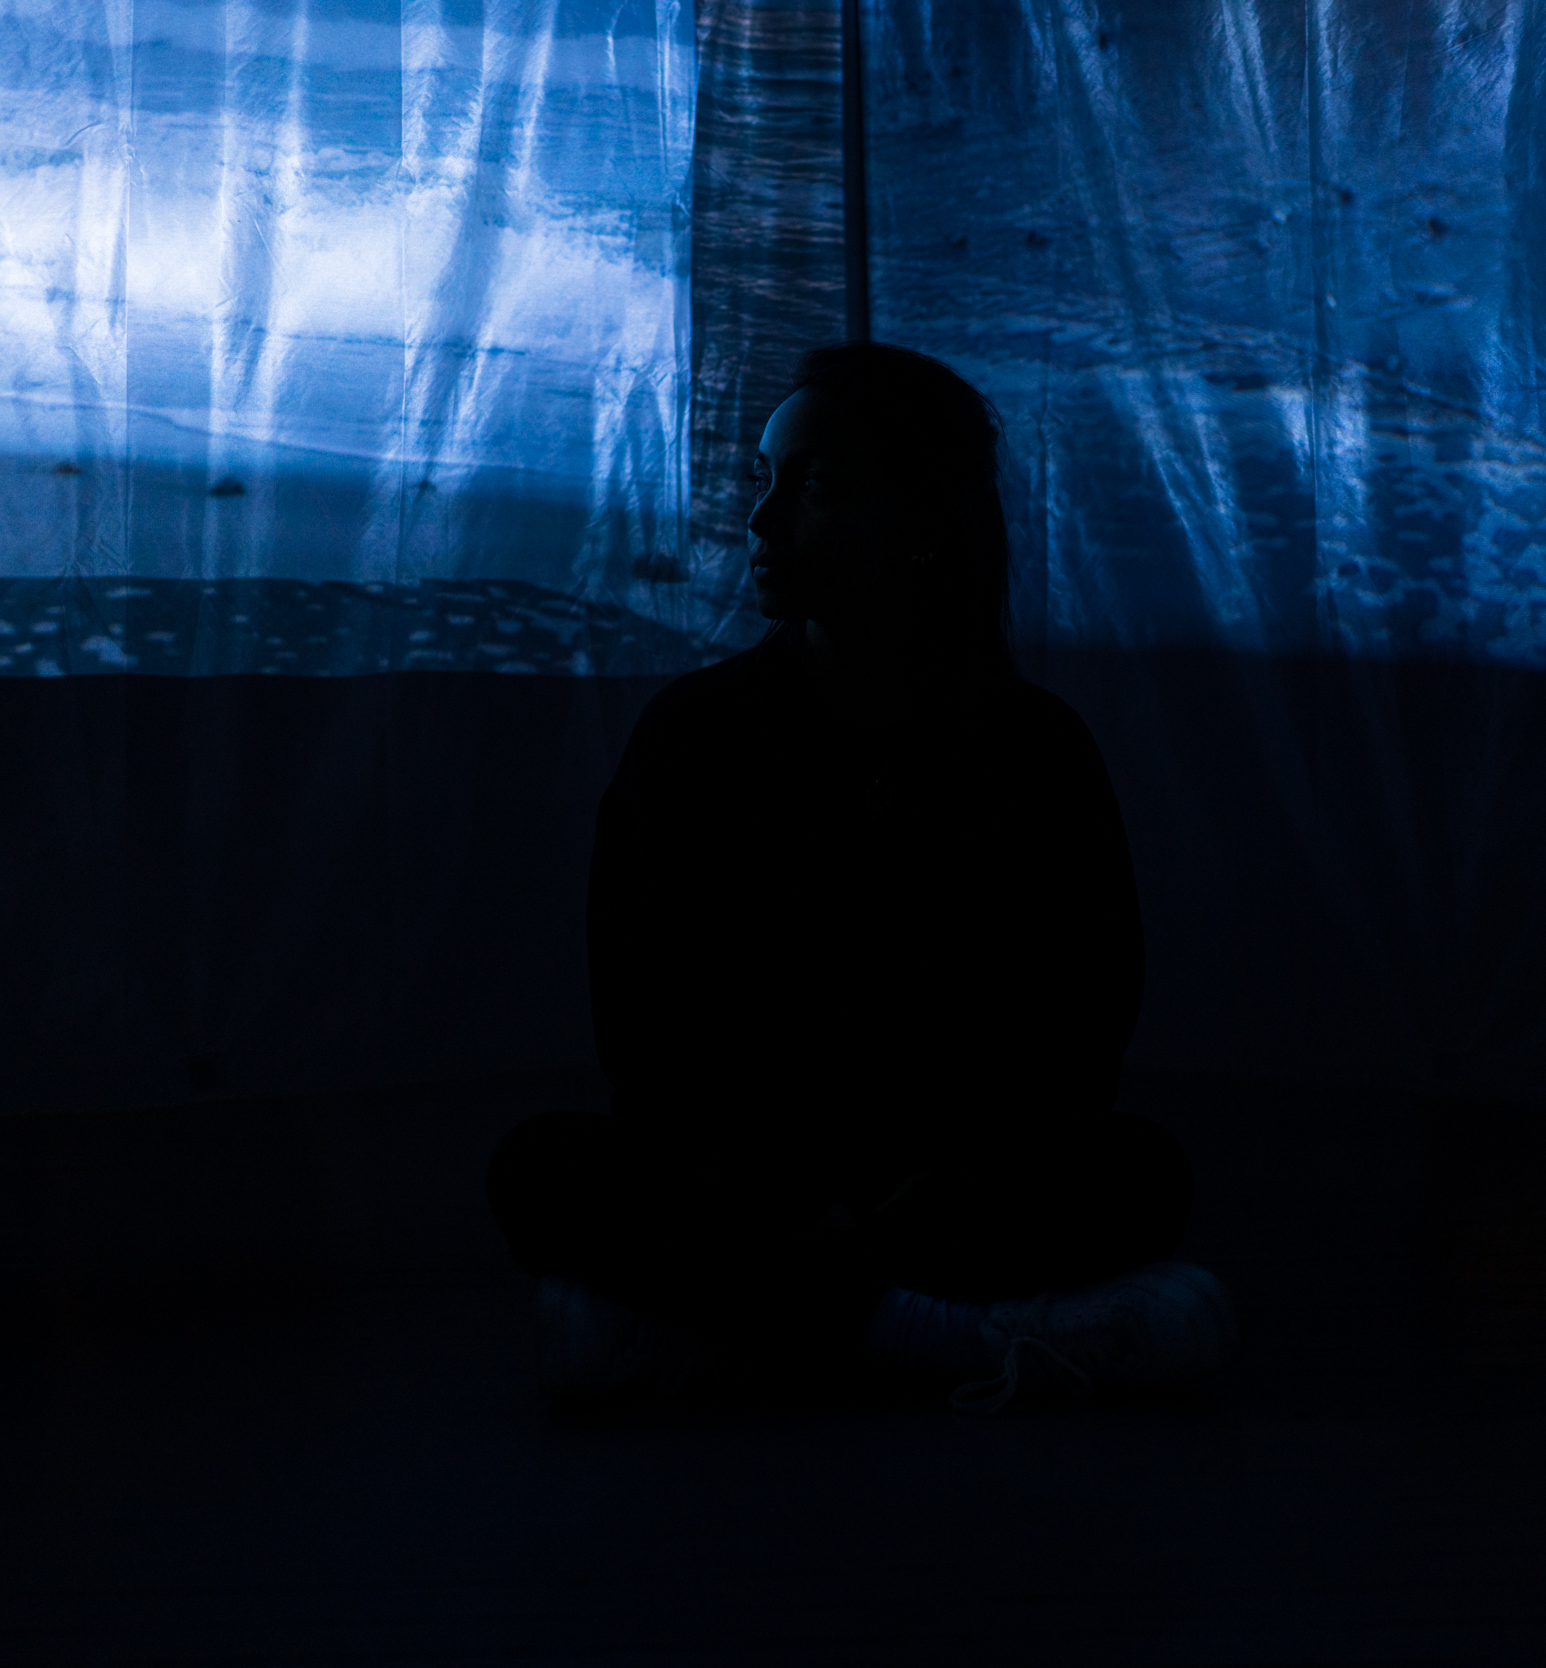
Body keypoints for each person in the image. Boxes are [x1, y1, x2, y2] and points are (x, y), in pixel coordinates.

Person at [486, 342, 1232, 1409]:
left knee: (1140, 1172)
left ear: (925, 527)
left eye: (815, 487)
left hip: (945, 1186)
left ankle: (718, 1337)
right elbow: (648, 1029)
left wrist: (932, 1182)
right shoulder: (691, 738)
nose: (761, 519)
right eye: (765, 479)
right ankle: (953, 1336)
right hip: (749, 1182)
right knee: (541, 1170)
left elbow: (1078, 1027)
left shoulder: (1033, 749)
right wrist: (790, 1196)